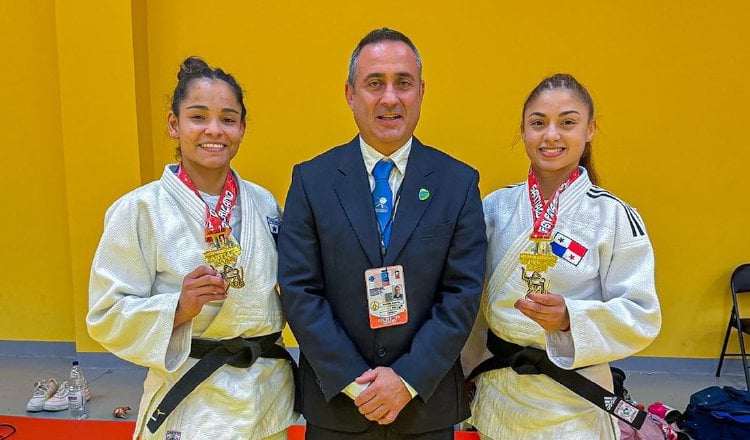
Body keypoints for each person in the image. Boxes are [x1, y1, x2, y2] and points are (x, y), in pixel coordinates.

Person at [277, 28, 487, 439]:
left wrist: (406, 380)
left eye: (403, 83)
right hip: (338, 403)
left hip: (424, 404)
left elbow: (462, 294)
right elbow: (300, 291)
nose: (390, 98)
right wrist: (359, 383)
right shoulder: (312, 180)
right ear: (350, 94)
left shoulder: (457, 182)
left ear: (421, 92)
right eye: (375, 83)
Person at [87, 57, 297, 440]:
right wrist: (178, 308)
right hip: (192, 398)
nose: (214, 130)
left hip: (265, 396)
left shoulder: (264, 203)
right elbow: (106, 314)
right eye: (198, 117)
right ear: (174, 124)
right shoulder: (140, 209)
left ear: (242, 128)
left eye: (228, 119)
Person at [464, 73, 662, 439]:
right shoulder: (496, 207)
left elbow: (641, 312)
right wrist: (464, 370)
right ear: (523, 131)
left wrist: (571, 319)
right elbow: (472, 301)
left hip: (572, 397)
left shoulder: (615, 216)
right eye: (538, 123)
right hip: (500, 390)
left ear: (590, 130)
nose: (551, 135)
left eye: (567, 123)